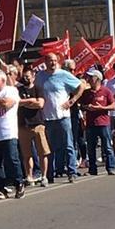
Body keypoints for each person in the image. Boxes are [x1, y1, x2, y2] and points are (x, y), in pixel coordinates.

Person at [35, 53, 84, 183]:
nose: (53, 63)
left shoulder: (63, 74)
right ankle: (50, 174)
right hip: (47, 117)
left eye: (55, 61)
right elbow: (37, 91)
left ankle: (72, 172)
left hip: (63, 117)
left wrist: (72, 101)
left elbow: (81, 86)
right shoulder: (40, 76)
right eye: (50, 61)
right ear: (45, 61)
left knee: (68, 145)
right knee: (49, 147)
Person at [0, 69, 25, 200]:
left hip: (8, 133)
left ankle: (19, 183)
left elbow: (7, 103)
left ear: (2, 80)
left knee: (12, 160)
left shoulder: (10, 90)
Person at [79, 69, 115, 175]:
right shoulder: (86, 93)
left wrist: (101, 107)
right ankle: (92, 169)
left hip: (103, 123)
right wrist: (87, 107)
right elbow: (81, 105)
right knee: (91, 148)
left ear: (98, 79)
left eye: (91, 77)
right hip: (91, 124)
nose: (89, 79)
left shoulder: (106, 91)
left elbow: (113, 106)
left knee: (107, 147)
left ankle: (110, 167)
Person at [17, 69, 49, 186]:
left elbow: (40, 104)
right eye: (25, 77)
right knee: (27, 154)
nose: (27, 79)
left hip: (38, 124)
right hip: (23, 124)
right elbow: (17, 103)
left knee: (43, 152)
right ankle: (29, 176)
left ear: (33, 76)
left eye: (29, 76)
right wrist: (30, 101)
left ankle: (44, 176)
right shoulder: (18, 90)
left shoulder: (38, 89)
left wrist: (27, 103)